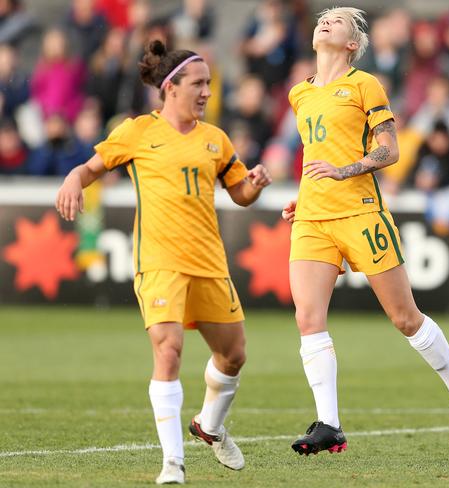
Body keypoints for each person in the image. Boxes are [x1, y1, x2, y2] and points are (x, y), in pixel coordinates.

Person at [55, 40, 271, 484]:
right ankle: (173, 461)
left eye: (209, 84)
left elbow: (241, 194)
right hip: (159, 261)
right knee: (168, 350)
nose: (207, 92)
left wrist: (256, 184)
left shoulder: (216, 140)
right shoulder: (137, 132)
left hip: (209, 262)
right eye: (198, 83)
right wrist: (73, 180)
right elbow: (89, 169)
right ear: (171, 87)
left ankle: (209, 426)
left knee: (233, 356)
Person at [281, 7, 449, 457]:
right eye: (323, 18)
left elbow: (389, 150)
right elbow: (315, 155)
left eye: (338, 21)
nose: (326, 21)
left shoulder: (364, 84)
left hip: (361, 212)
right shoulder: (300, 93)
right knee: (307, 318)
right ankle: (328, 424)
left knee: (405, 319)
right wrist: (305, 193)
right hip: (313, 217)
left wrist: (342, 172)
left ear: (353, 43)